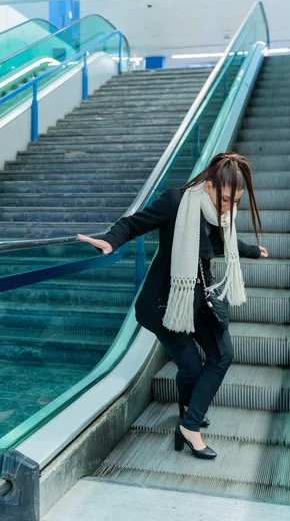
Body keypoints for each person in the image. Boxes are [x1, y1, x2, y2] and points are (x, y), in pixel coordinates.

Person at [77, 152, 267, 460]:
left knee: (222, 356)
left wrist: (251, 251)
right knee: (191, 366)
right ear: (208, 187)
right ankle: (190, 422)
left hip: (200, 298)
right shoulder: (176, 203)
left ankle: (189, 418)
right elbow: (133, 224)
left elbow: (223, 243)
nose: (230, 209)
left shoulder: (218, 215)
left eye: (236, 202)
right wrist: (112, 240)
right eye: (227, 200)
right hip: (165, 304)